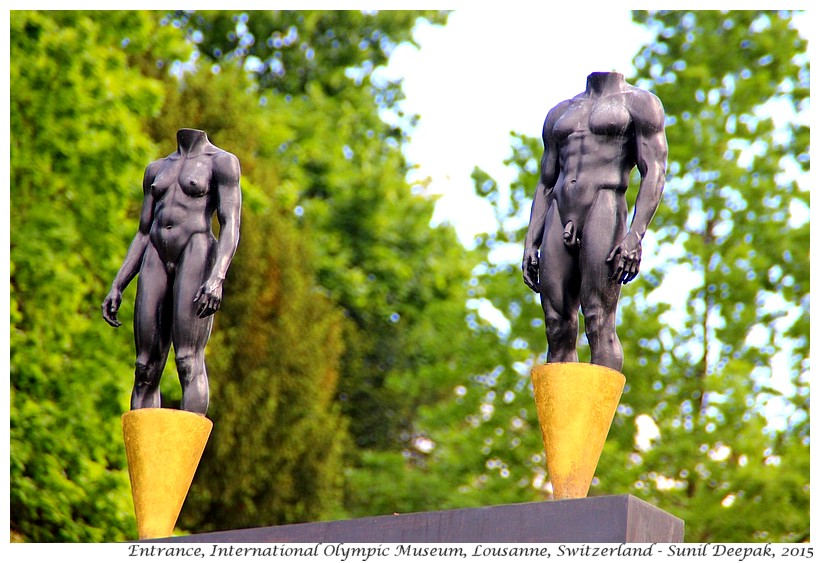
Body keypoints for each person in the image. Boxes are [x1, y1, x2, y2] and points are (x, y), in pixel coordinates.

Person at [522, 72, 667, 372]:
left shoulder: (641, 103)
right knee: (555, 323)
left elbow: (654, 171)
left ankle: (599, 417)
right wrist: (530, 242)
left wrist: (634, 237)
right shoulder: (560, 113)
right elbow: (546, 182)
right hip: (560, 212)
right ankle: (564, 418)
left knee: (598, 318)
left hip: (604, 203)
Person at [102, 128, 241, 415]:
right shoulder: (156, 169)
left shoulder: (221, 162)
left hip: (196, 249)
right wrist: (118, 284)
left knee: (188, 359)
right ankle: (144, 457)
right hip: (154, 253)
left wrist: (217, 277)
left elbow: (230, 225)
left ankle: (185, 458)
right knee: (144, 366)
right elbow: (142, 232)